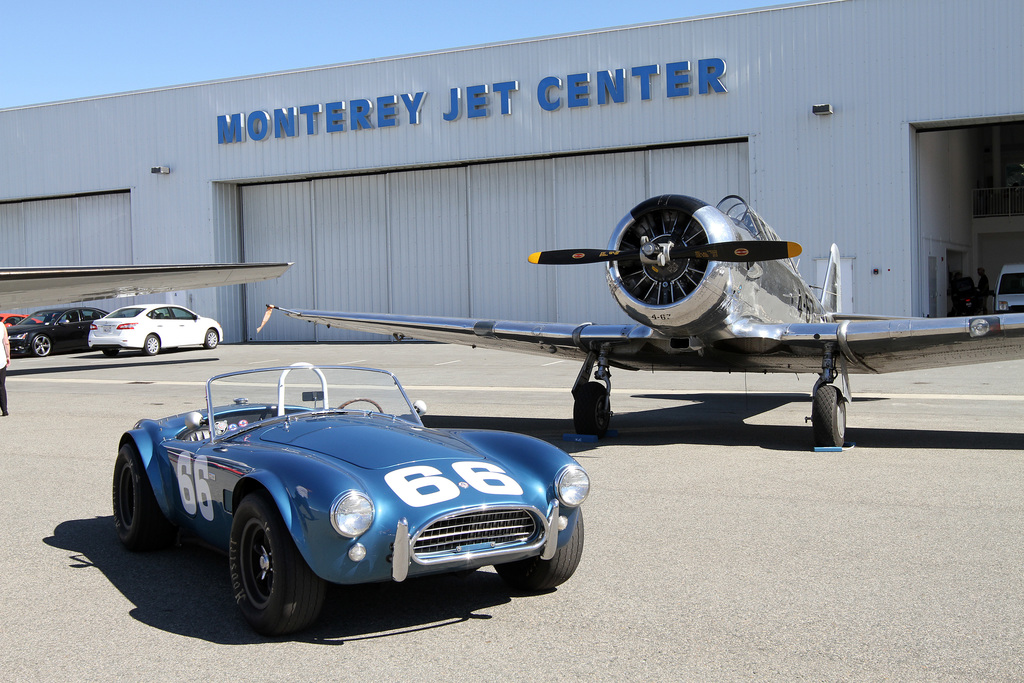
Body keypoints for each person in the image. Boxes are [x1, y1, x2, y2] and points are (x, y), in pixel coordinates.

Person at [1, 316, 9, 416]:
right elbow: (6, 343)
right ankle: (4, 410)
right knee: (1, 385)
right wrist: (8, 356)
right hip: (1, 360)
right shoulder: (2, 326)